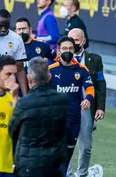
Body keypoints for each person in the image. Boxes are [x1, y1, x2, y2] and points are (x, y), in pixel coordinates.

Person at [9, 57, 68, 177]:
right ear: (49, 77)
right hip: (54, 162)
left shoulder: (24, 103)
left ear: (29, 79)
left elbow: (12, 131)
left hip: (28, 165)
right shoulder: (63, 100)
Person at [48, 36, 95, 174]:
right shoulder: (51, 69)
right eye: (64, 48)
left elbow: (90, 87)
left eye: (69, 48)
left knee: (67, 156)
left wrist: (88, 99)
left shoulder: (81, 69)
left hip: (74, 119)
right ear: (58, 50)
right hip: (55, 119)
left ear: (74, 50)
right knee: (53, 154)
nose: (67, 51)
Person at [67, 29, 106, 177]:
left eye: (75, 40)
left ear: (83, 41)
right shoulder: (61, 59)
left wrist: (100, 107)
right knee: (66, 144)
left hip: (86, 108)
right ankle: (68, 174)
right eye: (70, 40)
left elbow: (101, 84)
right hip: (68, 108)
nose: (72, 43)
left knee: (86, 147)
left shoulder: (95, 60)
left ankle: (82, 174)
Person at [15, 17, 56, 94]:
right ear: (16, 31)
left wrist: (49, 71)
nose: (21, 32)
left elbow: (57, 59)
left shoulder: (42, 45)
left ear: (30, 29)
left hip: (39, 90)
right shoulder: (12, 48)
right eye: (19, 29)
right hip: (18, 91)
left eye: (24, 29)